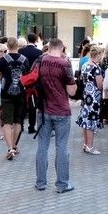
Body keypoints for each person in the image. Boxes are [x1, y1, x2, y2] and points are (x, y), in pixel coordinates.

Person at [34, 39, 76, 193]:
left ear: (49, 47)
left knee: (42, 146)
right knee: (62, 147)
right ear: (62, 48)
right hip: (61, 110)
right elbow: (71, 91)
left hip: (43, 109)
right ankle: (62, 184)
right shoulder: (65, 64)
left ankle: (40, 182)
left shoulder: (40, 61)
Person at [0, 37, 30, 160]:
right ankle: (15, 146)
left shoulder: (2, 60)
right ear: (17, 46)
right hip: (21, 93)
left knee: (6, 122)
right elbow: (27, 76)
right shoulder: (24, 60)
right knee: (18, 121)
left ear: (7, 46)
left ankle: (10, 148)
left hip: (6, 94)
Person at [77, 45, 104, 155]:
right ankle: (90, 146)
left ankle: (86, 144)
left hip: (86, 96)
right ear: (98, 55)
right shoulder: (96, 68)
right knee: (91, 122)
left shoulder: (85, 65)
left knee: (86, 120)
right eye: (101, 55)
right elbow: (100, 85)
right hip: (94, 98)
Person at [19, 33, 43, 134]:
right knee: (34, 103)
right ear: (36, 40)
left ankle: (20, 125)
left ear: (27, 39)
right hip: (35, 81)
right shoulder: (39, 52)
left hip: (23, 80)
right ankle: (31, 126)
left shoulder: (21, 51)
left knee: (23, 103)